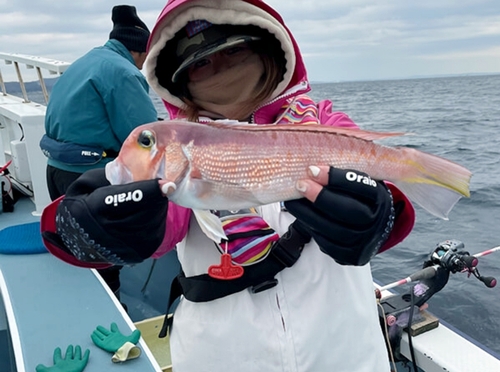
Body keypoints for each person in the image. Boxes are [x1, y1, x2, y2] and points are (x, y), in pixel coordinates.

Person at [41, 0, 416, 371]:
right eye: (200, 63)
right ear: (181, 80)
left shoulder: (321, 122)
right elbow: (151, 228)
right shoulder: (181, 150)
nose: (219, 67)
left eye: (233, 51)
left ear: (268, 50)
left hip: (346, 351)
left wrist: (381, 214)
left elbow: (378, 190)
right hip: (223, 356)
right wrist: (96, 230)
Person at [41, 5, 158, 298]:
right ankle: (111, 312)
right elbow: (147, 138)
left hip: (56, 171)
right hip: (89, 178)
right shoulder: (125, 73)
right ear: (140, 51)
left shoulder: (85, 62)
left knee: (73, 243)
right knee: (102, 254)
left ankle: (81, 302)